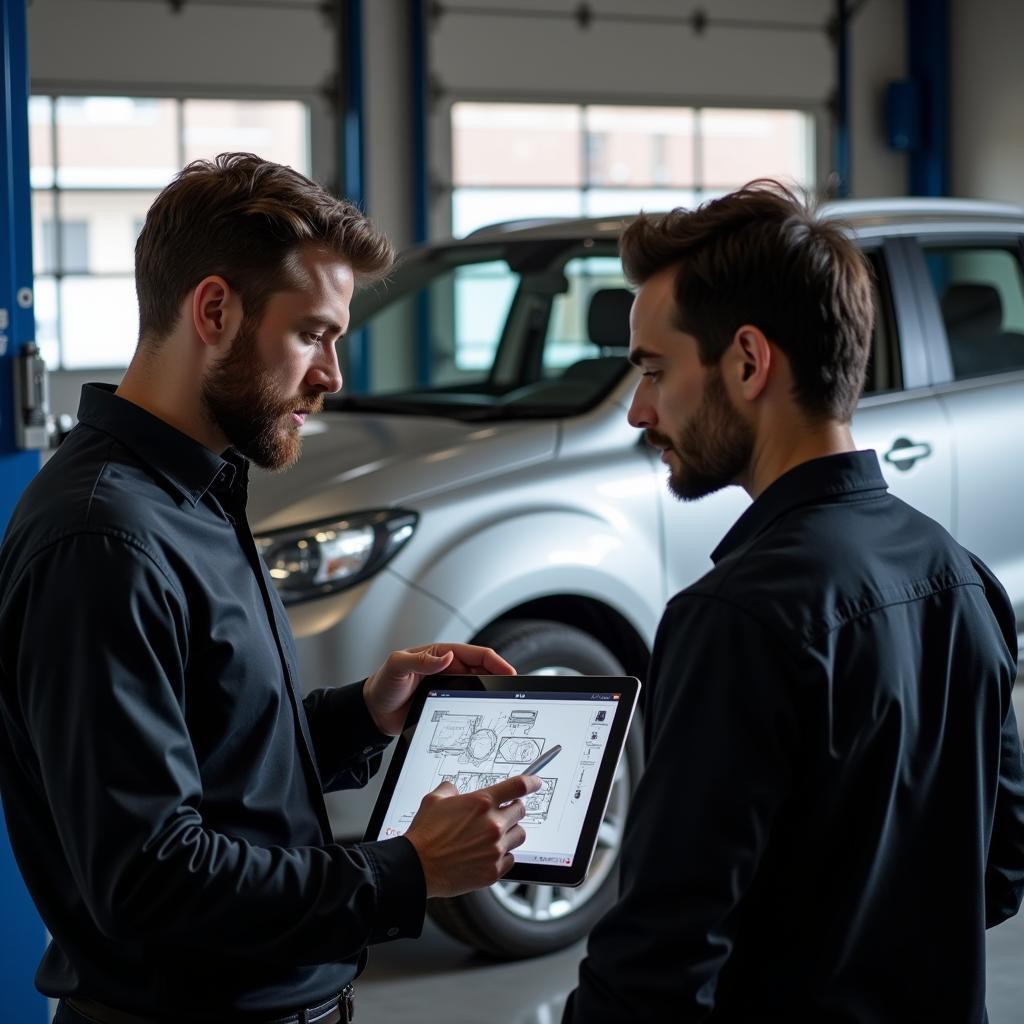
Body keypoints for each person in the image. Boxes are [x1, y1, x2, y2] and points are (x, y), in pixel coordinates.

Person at [0, 152, 540, 1024]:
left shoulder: (195, 492)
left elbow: (219, 764)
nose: (332, 376)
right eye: (312, 334)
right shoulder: (103, 540)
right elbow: (151, 879)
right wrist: (405, 870)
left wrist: (365, 713)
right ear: (213, 310)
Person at [562, 182, 1024, 1022]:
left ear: (747, 361)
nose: (639, 410)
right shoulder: (961, 574)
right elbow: (1002, 868)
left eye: (655, 371)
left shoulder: (736, 617)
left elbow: (660, 956)